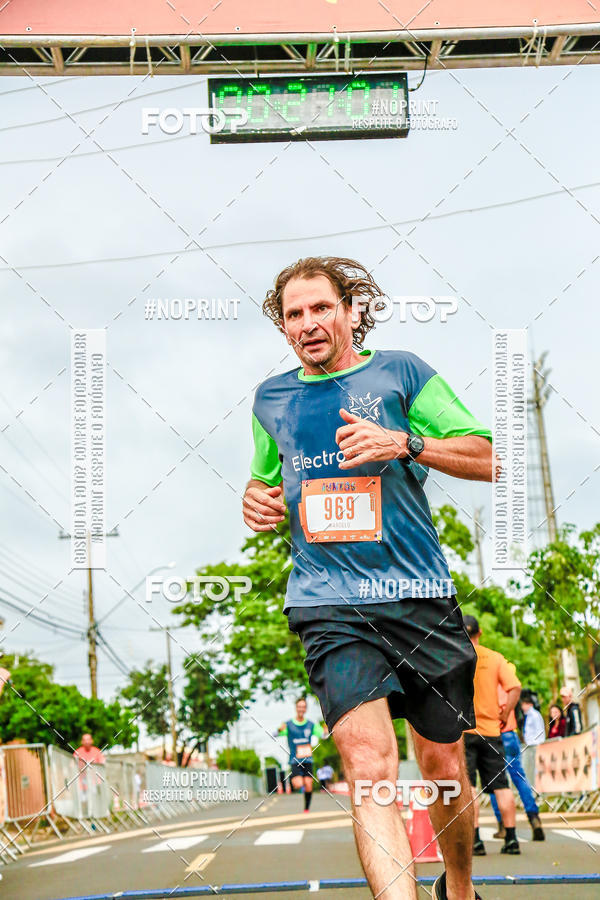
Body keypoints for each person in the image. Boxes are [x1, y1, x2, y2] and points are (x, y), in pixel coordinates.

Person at [244, 257, 495, 900]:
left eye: (320, 308)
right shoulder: (272, 398)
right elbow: (264, 478)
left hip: (417, 596)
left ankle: (459, 888)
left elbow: (490, 458)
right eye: (293, 314)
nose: (308, 324)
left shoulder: (401, 372)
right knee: (368, 766)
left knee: (441, 765)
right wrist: (255, 499)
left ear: (351, 309)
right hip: (327, 604)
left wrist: (404, 444)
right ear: (283, 326)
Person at [462, 616, 521, 857]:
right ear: (480, 632)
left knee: (469, 788)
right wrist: (506, 712)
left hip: (463, 732)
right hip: (491, 731)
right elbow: (514, 687)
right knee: (502, 787)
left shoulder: (456, 657)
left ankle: (475, 841)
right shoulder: (494, 658)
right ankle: (512, 839)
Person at [489, 677, 545, 842]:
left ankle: (503, 825)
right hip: (510, 733)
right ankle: (534, 819)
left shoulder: (482, 683)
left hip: (492, 734)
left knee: (496, 782)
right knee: (520, 778)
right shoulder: (507, 684)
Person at [276, 698, 327, 812]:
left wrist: (325, 731)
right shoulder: (288, 724)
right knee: (299, 784)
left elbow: (323, 736)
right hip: (295, 760)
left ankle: (306, 808)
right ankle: (293, 779)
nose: (301, 709)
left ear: (306, 709)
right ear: (296, 708)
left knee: (308, 785)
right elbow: (275, 734)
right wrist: (279, 730)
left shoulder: (310, 725)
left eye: (303, 707)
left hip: (308, 760)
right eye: (299, 706)